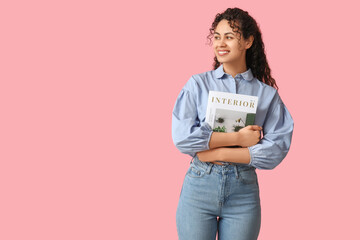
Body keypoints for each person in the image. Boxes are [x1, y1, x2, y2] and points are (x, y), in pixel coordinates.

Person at [171, 7, 294, 240]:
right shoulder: (197, 85)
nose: (220, 43)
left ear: (248, 41)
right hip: (198, 188)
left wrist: (212, 152)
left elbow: (276, 150)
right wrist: (239, 140)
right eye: (217, 37)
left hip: (243, 193)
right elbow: (183, 138)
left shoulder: (267, 95)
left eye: (229, 36)